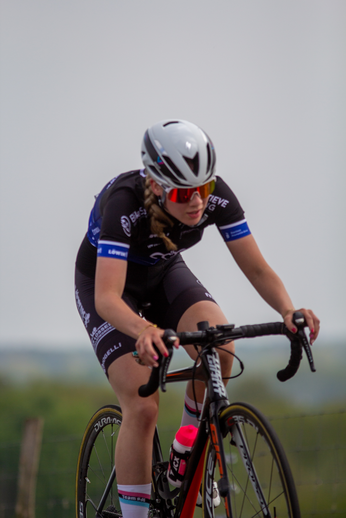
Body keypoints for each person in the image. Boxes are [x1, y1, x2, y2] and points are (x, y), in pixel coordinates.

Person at [75, 119, 320, 518]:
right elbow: (106, 298)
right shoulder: (123, 204)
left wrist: (288, 310)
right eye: (186, 192)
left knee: (221, 348)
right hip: (108, 286)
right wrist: (145, 330)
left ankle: (184, 455)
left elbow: (257, 269)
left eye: (204, 188)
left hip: (164, 272)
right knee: (144, 406)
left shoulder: (215, 197)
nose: (198, 202)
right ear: (156, 186)